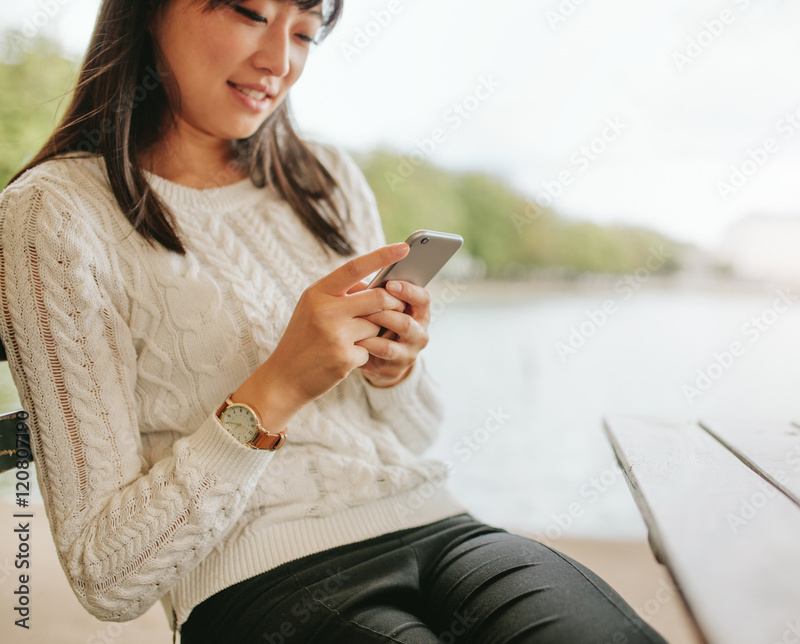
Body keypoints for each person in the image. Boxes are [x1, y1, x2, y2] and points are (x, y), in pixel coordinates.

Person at [0, 1, 668, 642]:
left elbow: (417, 431)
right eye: (251, 14)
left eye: (303, 33)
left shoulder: (324, 179)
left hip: (437, 527)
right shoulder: (51, 213)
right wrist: (278, 388)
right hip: (257, 578)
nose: (278, 61)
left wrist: (394, 367)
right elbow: (106, 576)